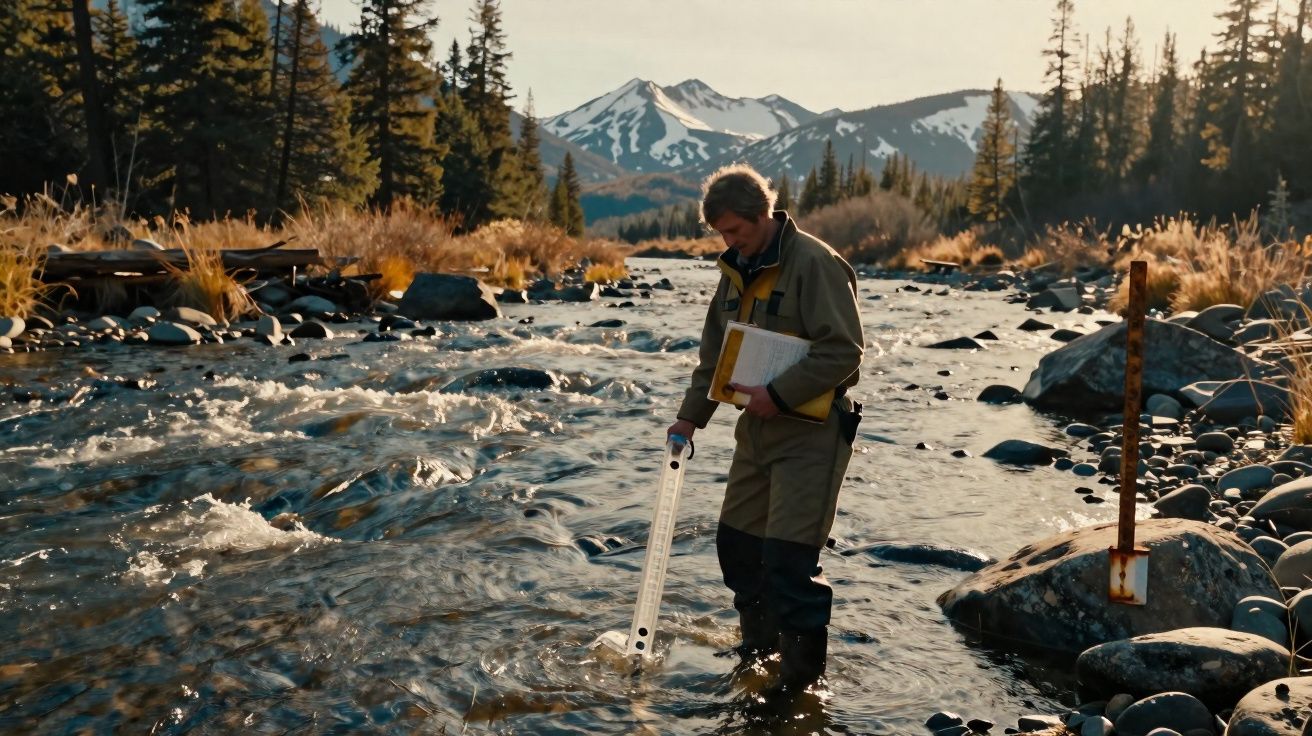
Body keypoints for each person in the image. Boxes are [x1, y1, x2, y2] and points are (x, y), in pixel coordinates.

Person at [667, 164, 864, 695]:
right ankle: (757, 659)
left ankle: (796, 695)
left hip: (811, 435)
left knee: (788, 566)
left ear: (764, 215)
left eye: (737, 231)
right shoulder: (733, 270)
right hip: (753, 434)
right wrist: (689, 419)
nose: (730, 242)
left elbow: (844, 352)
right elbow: (714, 358)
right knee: (736, 549)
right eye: (722, 234)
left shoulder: (816, 264)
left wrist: (779, 395)